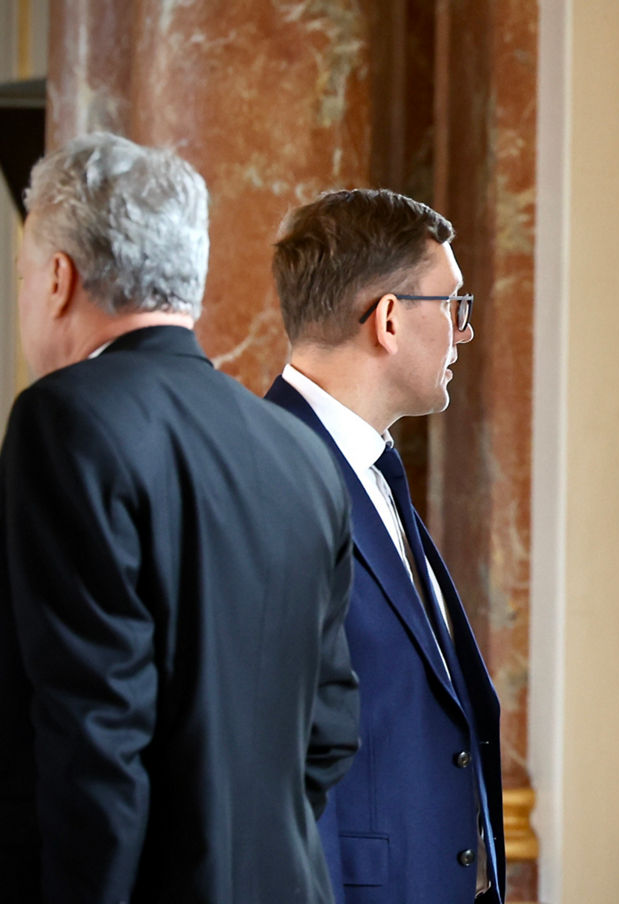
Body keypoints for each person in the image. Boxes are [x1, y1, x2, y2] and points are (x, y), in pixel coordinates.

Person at [0, 132, 359, 903]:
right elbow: (329, 731)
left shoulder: (63, 420)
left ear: (58, 278)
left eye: (24, 273)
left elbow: (93, 732)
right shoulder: (300, 452)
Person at [266, 189, 505, 904]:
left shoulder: (374, 467)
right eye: (454, 306)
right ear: (391, 319)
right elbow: (270, 746)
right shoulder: (269, 472)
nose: (464, 333)